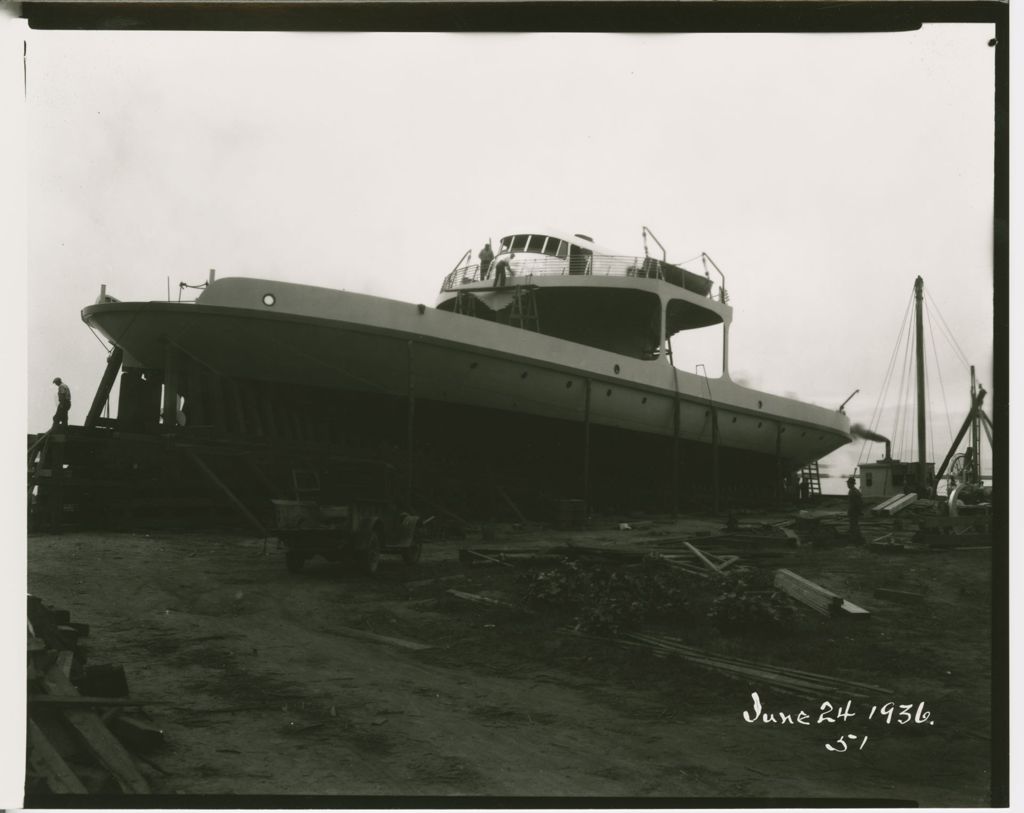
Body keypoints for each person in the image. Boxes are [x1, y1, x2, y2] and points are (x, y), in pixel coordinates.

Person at [846, 476, 863, 542]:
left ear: (851, 484)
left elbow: (856, 503)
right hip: (854, 511)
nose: (847, 485)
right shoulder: (854, 491)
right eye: (847, 483)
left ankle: (857, 539)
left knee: (854, 525)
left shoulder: (853, 492)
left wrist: (854, 511)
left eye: (848, 483)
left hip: (854, 512)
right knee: (854, 524)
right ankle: (856, 537)